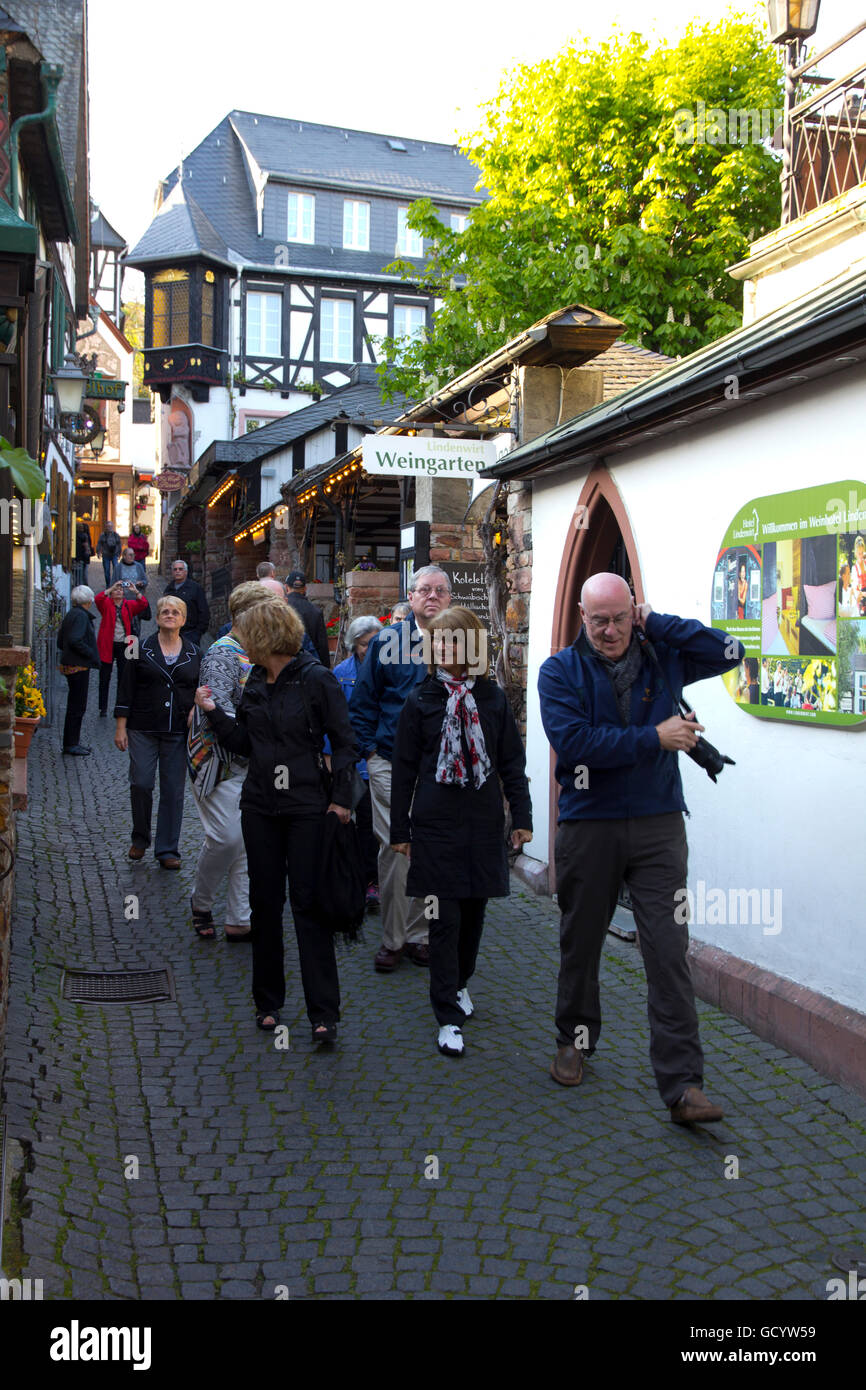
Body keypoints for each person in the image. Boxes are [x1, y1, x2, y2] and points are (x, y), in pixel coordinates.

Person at [538, 572, 743, 1125]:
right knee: (581, 943)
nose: (608, 631)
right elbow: (574, 744)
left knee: (668, 950)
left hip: (658, 824)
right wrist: (655, 738)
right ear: (582, 618)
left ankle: (682, 1086)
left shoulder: (661, 654)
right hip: (589, 824)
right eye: (598, 620)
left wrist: (658, 622)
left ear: (634, 612)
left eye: (620, 618)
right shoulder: (559, 671)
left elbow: (730, 650)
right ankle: (574, 1040)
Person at [197, 599, 358, 1038]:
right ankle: (267, 1002)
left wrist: (341, 800)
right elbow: (247, 744)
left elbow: (345, 742)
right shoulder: (255, 684)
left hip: (307, 807)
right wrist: (212, 713)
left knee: (309, 906)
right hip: (260, 807)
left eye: (247, 634)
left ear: (264, 637)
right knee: (265, 905)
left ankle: (324, 1013)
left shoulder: (317, 680)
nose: (241, 642)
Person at [390, 607, 532, 1057]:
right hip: (435, 824)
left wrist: (523, 818)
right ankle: (447, 1015)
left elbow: (512, 762)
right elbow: (404, 771)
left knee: (473, 916)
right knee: (443, 920)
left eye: (454, 641)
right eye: (439, 641)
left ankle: (461, 982)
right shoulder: (421, 700)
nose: (445, 648)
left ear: (472, 647)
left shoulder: (492, 699)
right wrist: (400, 829)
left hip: (483, 821)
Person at [350, 566, 453, 972]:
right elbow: (362, 702)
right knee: (397, 848)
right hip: (390, 761)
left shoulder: (463, 641)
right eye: (424, 590)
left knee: (429, 849)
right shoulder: (386, 642)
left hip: (443, 768)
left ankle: (419, 934)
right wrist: (371, 752)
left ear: (449, 597)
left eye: (440, 590)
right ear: (410, 597)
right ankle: (393, 940)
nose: (432, 596)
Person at [187, 582, 274, 942]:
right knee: (225, 837)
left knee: (245, 838)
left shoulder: (258, 650)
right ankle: (201, 899)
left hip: (252, 761)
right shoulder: (223, 654)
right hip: (217, 762)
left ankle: (239, 918)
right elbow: (217, 712)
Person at [114, 596, 201, 868]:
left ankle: (167, 850)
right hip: (142, 726)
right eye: (165, 611)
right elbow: (125, 686)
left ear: (184, 620)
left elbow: (201, 686)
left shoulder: (196, 652)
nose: (169, 615)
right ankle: (140, 838)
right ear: (158, 617)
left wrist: (195, 708)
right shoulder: (137, 647)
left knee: (173, 790)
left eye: (176, 612)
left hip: (177, 729)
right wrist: (121, 726)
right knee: (141, 782)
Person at [332, 615, 382, 907]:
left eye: (376, 642)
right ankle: (356, 879)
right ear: (353, 644)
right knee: (352, 823)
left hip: (378, 756)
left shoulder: (389, 669)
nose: (370, 648)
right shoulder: (342, 673)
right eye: (365, 644)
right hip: (353, 761)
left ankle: (373, 880)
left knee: (373, 825)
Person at [94, 579, 150, 717]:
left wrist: (135, 591)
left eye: (120, 589)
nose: (119, 591)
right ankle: (103, 707)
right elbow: (97, 598)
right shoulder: (106, 604)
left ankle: (121, 705)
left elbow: (143, 604)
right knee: (104, 676)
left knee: (124, 676)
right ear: (111, 594)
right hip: (108, 643)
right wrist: (111, 587)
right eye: (116, 590)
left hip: (126, 644)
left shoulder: (128, 605)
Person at [56, 584, 99, 755]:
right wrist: (90, 653)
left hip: (71, 664)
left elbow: (61, 641)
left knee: (75, 705)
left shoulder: (71, 614)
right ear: (89, 601)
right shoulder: (81, 616)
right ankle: (71, 743)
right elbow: (75, 640)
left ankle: (72, 742)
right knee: (77, 706)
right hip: (78, 666)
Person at [285, 570, 330, 667]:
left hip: (284, 665)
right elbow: (322, 645)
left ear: (286, 587)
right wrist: (325, 668)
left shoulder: (281, 608)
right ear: (305, 588)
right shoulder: (315, 611)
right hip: (308, 666)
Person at [164, 559, 210, 646]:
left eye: (180, 569)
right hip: (171, 634)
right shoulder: (168, 589)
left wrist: (198, 633)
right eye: (175, 569)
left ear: (186, 572)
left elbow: (204, 611)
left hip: (190, 634)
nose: (177, 571)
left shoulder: (195, 588)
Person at [96, 520, 122, 587]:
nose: (109, 528)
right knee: (107, 571)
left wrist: (120, 553)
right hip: (105, 555)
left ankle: (115, 584)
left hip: (114, 554)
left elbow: (119, 544)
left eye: (110, 526)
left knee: (116, 570)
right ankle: (108, 585)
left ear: (113, 527)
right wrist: (98, 552)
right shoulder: (103, 535)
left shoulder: (116, 535)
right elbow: (99, 543)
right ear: (105, 527)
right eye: (108, 526)